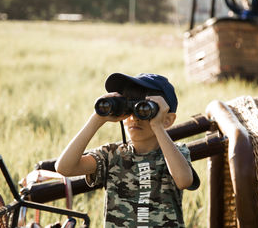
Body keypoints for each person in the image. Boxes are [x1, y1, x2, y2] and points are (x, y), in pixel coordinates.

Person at [55, 72, 200, 228]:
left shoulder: (174, 153)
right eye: (128, 109)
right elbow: (64, 168)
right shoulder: (111, 154)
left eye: (144, 110)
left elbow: (184, 180)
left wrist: (157, 125)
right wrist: (97, 118)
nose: (134, 118)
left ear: (168, 119)